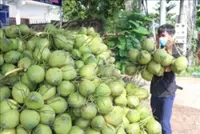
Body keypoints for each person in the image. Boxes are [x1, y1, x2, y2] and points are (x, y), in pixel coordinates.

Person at [150, 24, 180, 134]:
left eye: (163, 35)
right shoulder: (154, 52)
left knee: (164, 122)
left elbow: (168, 68)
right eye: (159, 36)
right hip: (155, 91)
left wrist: (169, 49)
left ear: (171, 37)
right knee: (156, 122)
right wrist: (157, 48)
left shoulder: (176, 53)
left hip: (167, 92)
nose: (161, 38)